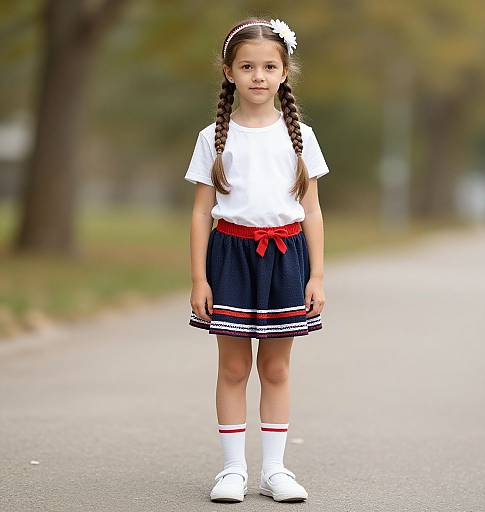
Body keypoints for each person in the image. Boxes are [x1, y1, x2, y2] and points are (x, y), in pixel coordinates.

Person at [183, 17, 330, 503]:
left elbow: (311, 209)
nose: (259, 76)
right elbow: (202, 211)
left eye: (269, 66)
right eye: (247, 66)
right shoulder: (214, 138)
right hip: (230, 256)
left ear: (285, 72)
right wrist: (199, 278)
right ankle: (232, 471)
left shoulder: (300, 136)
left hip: (286, 256)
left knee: (277, 367)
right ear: (229, 72)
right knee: (231, 368)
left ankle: (274, 469)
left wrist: (317, 276)